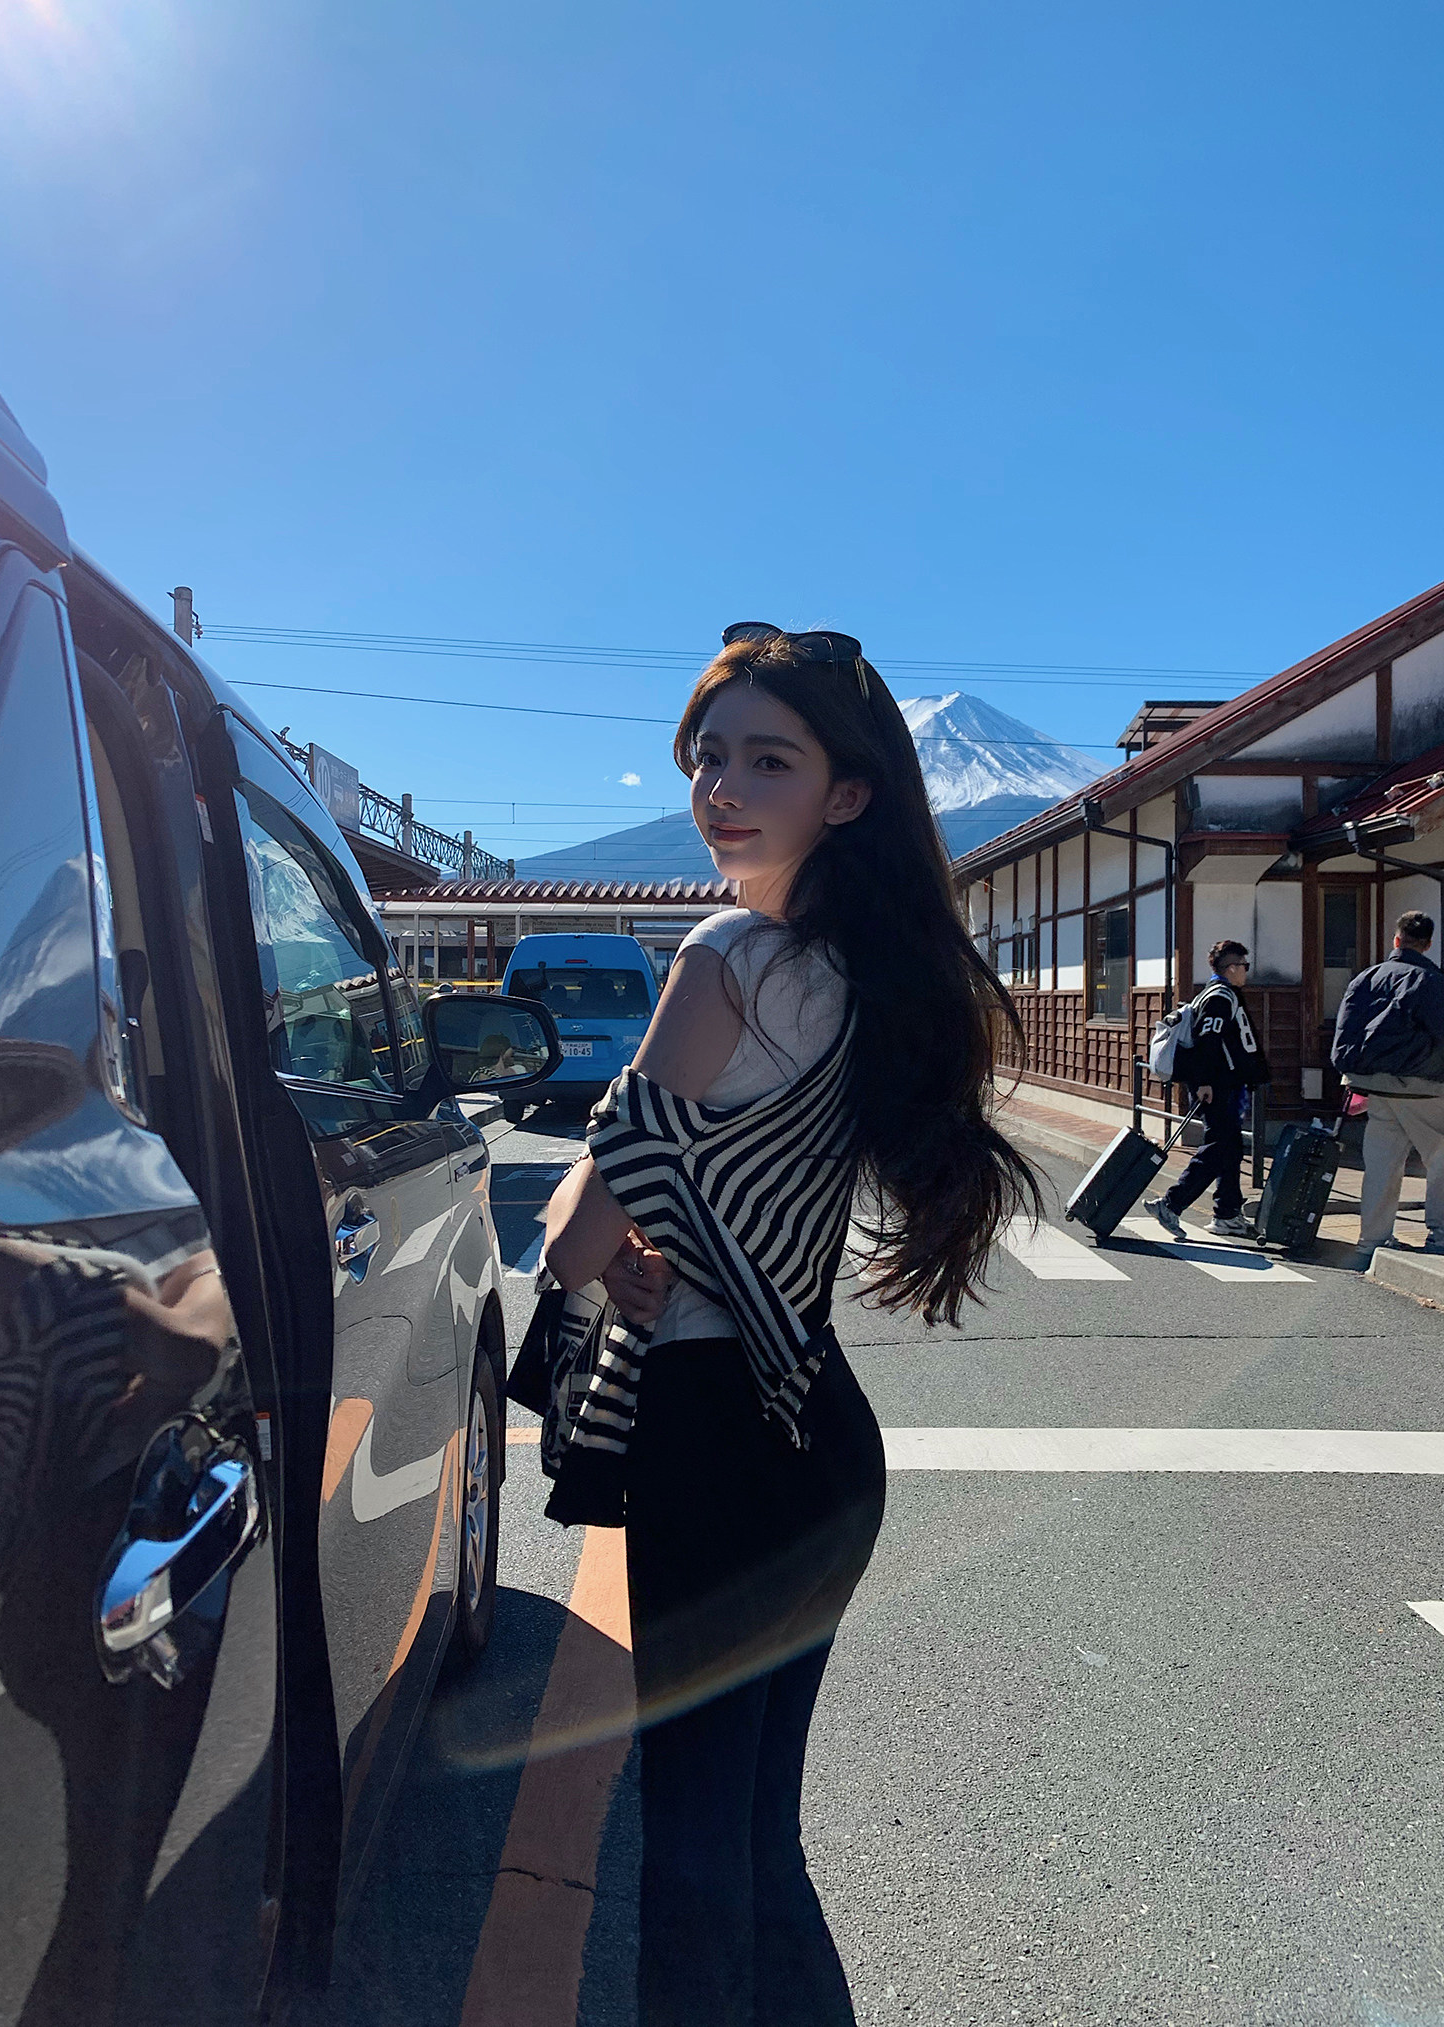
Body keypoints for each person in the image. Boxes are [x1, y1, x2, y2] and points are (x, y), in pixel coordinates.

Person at [542, 623, 1039, 2027]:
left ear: (847, 791)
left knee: (694, 1842)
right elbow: (702, 1193)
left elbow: (573, 1240)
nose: (722, 788)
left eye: (770, 759)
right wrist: (647, 1223)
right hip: (817, 1426)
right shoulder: (861, 972)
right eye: (708, 757)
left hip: (712, 1435)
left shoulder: (724, 957)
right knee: (756, 1836)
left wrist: (615, 1205)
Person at [1331, 909, 1444, 1267]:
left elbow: (1345, 1030)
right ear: (1428, 944)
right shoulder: (1432, 980)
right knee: (1440, 1159)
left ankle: (1372, 1239)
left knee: (1381, 1164)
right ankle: (1439, 1235)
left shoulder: (1366, 977)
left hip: (1374, 1086)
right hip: (1423, 1086)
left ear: (1396, 940)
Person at [1145, 938, 1271, 1239]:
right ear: (1231, 968)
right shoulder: (1219, 998)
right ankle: (1171, 1204)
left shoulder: (1220, 994)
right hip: (1217, 1086)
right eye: (1244, 965)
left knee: (1230, 1148)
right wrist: (1204, 1081)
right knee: (1219, 1147)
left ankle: (1227, 1213)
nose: (1247, 971)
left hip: (1223, 1084)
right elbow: (1208, 1041)